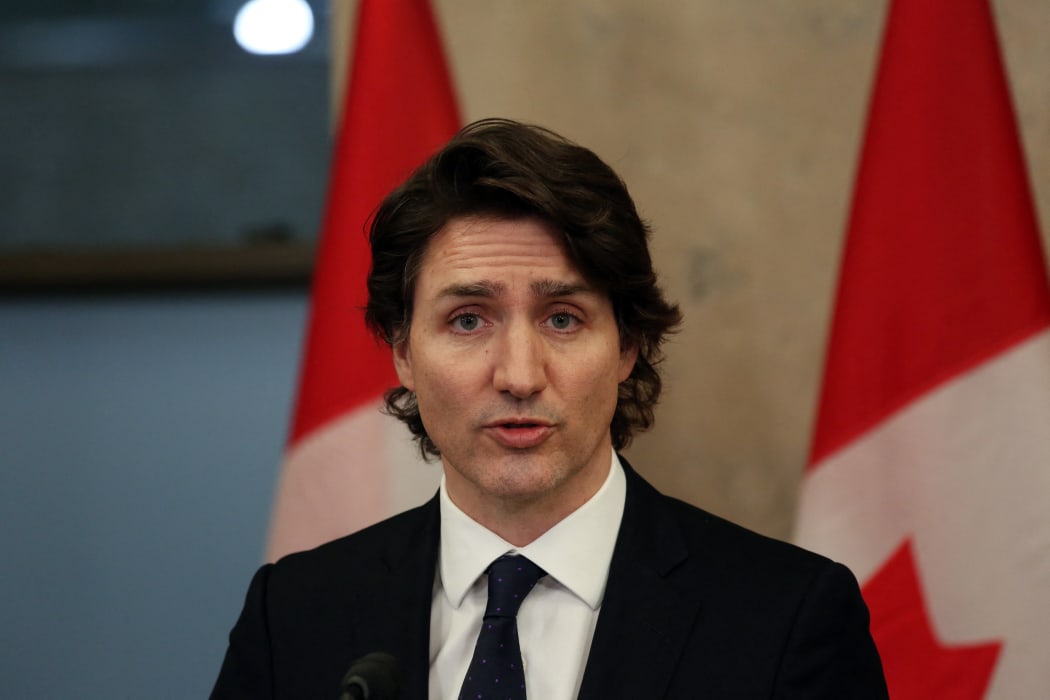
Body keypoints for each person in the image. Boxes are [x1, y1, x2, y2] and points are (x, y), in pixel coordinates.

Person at [211, 118, 888, 699]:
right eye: (469, 320)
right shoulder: (296, 614)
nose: (519, 375)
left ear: (627, 346)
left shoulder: (786, 617)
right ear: (402, 353)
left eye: (562, 319)